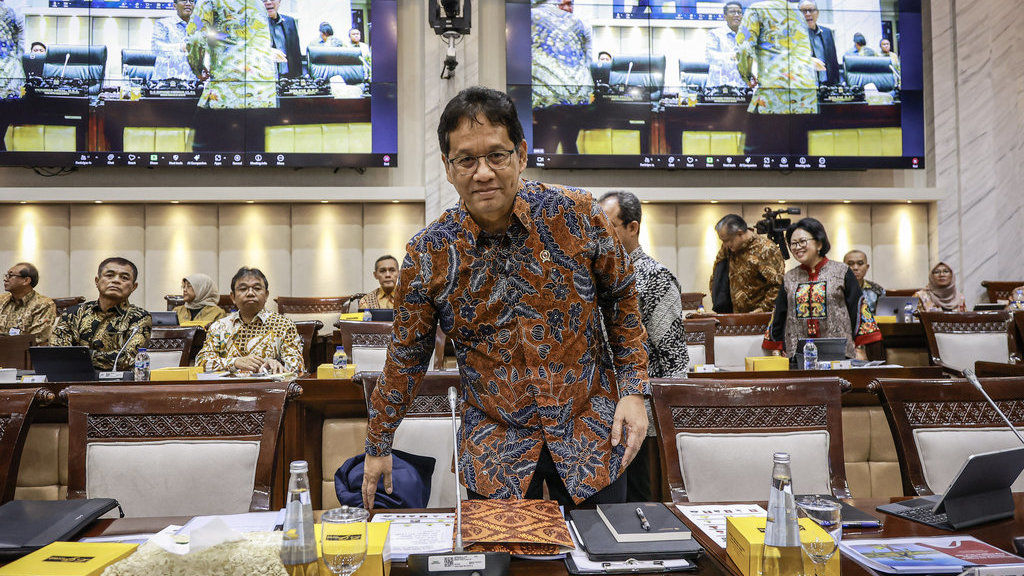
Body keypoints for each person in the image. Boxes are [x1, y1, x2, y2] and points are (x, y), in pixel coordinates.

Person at [361, 86, 650, 510]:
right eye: (466, 159)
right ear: (447, 166)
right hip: (496, 447)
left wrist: (634, 390)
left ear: (521, 155)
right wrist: (378, 442)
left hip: (591, 431)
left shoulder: (577, 214)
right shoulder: (429, 253)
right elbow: (407, 354)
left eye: (497, 155)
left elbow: (622, 298)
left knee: (603, 559)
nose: (483, 172)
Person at [599, 190, 687, 503]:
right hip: (596, 419)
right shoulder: (593, 276)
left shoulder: (655, 278)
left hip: (641, 421)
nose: (598, 234)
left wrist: (669, 430)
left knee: (638, 508)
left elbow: (675, 360)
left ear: (632, 227)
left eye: (607, 225)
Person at [763, 218, 881, 360]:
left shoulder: (841, 271)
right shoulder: (789, 277)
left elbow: (858, 309)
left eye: (802, 241)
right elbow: (778, 315)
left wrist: (860, 347)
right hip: (798, 356)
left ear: (819, 243)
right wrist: (776, 350)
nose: (797, 247)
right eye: (793, 243)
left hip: (840, 355)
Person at [186, 0, 278, 152]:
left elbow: (195, 39)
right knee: (254, 159)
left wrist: (197, 69)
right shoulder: (257, 3)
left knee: (207, 156)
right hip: (262, 95)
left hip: (227, 93)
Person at [735, 0, 817, 153]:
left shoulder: (756, 10)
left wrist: (746, 76)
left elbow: (743, 49)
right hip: (806, 98)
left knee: (757, 160)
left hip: (774, 95)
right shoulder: (797, 14)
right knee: (799, 162)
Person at [195, 267, 304, 374]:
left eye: (257, 288)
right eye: (243, 289)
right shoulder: (219, 327)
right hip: (227, 389)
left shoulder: (283, 325)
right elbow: (201, 363)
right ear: (233, 297)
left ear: (266, 295)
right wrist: (235, 362)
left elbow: (298, 367)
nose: (250, 293)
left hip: (268, 389)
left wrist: (274, 364)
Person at [52, 258, 152, 371]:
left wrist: (80, 356)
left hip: (117, 384)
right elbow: (57, 353)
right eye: (110, 275)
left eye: (124, 277)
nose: (116, 280)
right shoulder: (72, 314)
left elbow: (128, 358)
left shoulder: (140, 317)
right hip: (73, 380)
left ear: (134, 287)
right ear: (97, 281)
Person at [531, 0, 594, 154]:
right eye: (562, 4)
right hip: (574, 99)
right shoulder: (581, 24)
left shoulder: (532, 16)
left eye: (569, 4)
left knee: (546, 148)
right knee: (567, 145)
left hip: (548, 99)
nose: (566, 8)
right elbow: (588, 59)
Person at [709, 214, 785, 313]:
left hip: (759, 317)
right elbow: (717, 275)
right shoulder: (727, 249)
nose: (726, 244)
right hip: (733, 317)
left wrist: (763, 308)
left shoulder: (766, 249)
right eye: (723, 241)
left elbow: (778, 284)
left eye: (728, 240)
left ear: (740, 233)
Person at [0, 262, 56, 345]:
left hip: (24, 354)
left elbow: (36, 339)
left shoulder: (43, 304)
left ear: (26, 280)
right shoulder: (2, 300)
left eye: (10, 276)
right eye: (6, 275)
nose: (5, 279)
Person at [152, 0, 198, 81]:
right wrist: (181, 47)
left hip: (192, 82)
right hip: (165, 82)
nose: (188, 4)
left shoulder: (199, 27)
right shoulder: (163, 23)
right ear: (174, 5)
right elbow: (156, 47)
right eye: (184, 1)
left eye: (191, 1)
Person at [705, 1, 745, 89]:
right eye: (732, 12)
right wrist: (733, 56)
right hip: (718, 87)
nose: (736, 15)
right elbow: (710, 57)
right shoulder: (715, 34)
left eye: (739, 12)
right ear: (725, 17)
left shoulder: (747, 36)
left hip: (741, 87)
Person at [799, 0, 840, 86]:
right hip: (807, 86)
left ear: (817, 13)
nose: (807, 14)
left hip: (828, 85)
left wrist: (837, 84)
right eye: (803, 11)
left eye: (811, 10)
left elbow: (833, 61)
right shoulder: (795, 35)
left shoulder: (827, 32)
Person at [263, 0, 302, 79]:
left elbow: (296, 53)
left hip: (288, 77)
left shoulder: (290, 21)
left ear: (279, 1)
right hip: (266, 78)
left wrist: (298, 77)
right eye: (264, 0)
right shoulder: (253, 25)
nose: (268, 2)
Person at [843, 250, 885, 316]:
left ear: (867, 267)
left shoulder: (877, 290)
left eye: (860, 263)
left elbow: (884, 317)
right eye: (850, 264)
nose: (855, 268)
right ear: (842, 267)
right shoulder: (837, 289)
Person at [0, 0, 24, 99]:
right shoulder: (15, 10)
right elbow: (20, 40)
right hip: (12, 66)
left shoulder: (13, 10)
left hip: (10, 67)